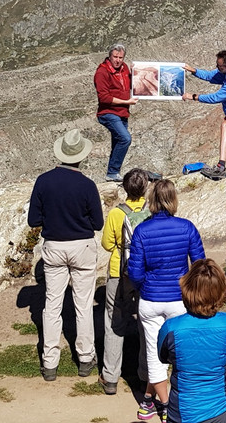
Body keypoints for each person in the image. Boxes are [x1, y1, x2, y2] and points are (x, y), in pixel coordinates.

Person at [27, 129, 104, 380]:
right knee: (83, 305)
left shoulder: (43, 181)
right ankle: (85, 357)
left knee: (52, 304)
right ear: (81, 156)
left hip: (54, 247)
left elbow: (33, 220)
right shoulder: (87, 185)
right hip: (81, 246)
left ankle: (50, 362)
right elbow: (98, 223)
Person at [128, 178, 206, 421]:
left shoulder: (142, 230)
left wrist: (146, 287)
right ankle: (169, 405)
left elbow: (135, 272)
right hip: (179, 300)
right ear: (173, 200)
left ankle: (152, 401)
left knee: (153, 353)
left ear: (152, 200)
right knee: (179, 354)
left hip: (150, 299)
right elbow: (200, 264)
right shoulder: (187, 227)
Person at [158, 259, 226, 423]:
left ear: (186, 289)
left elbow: (163, 357)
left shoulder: (171, 328)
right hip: (221, 404)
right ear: (220, 291)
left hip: (185, 408)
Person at [100, 168, 150, 395]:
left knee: (114, 321)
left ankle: (110, 377)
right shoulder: (151, 212)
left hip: (118, 271)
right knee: (146, 323)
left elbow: (106, 244)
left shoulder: (115, 214)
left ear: (125, 189)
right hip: (146, 273)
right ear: (145, 188)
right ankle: (145, 376)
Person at [182, 50, 226, 180]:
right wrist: (193, 70)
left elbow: (216, 97)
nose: (217, 67)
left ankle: (220, 166)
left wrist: (193, 96)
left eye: (219, 66)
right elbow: (210, 76)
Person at [95, 43, 138, 182]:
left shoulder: (124, 68)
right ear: (110, 56)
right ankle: (113, 173)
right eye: (115, 57)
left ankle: (112, 173)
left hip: (122, 113)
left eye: (121, 57)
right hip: (108, 113)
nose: (118, 60)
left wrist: (135, 73)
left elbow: (132, 84)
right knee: (125, 138)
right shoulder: (102, 72)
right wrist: (126, 102)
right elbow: (104, 97)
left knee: (117, 143)